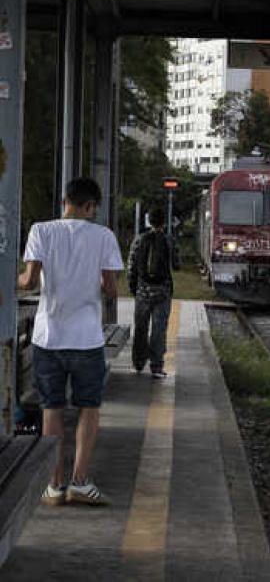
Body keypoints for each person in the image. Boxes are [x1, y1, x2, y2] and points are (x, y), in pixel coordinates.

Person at [17, 177, 124, 507]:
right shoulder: (104, 236)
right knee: (88, 408)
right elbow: (110, 289)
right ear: (90, 205)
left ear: (65, 200)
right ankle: (80, 481)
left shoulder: (41, 230)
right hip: (87, 339)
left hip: (49, 338)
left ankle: (54, 484)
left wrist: (15, 279)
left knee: (51, 409)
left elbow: (29, 281)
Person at [127, 205, 179, 379]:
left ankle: (138, 364)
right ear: (164, 222)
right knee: (159, 329)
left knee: (141, 328)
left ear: (149, 221)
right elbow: (177, 265)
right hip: (163, 292)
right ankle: (156, 367)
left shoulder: (139, 239)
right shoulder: (168, 240)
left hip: (142, 292)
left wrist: (134, 288)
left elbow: (131, 267)